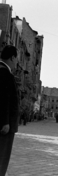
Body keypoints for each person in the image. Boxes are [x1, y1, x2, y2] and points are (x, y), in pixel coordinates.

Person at [0, 45, 20, 176]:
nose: (17, 62)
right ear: (12, 57)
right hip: (5, 126)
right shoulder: (4, 73)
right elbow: (3, 99)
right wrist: (5, 122)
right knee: (2, 158)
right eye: (16, 59)